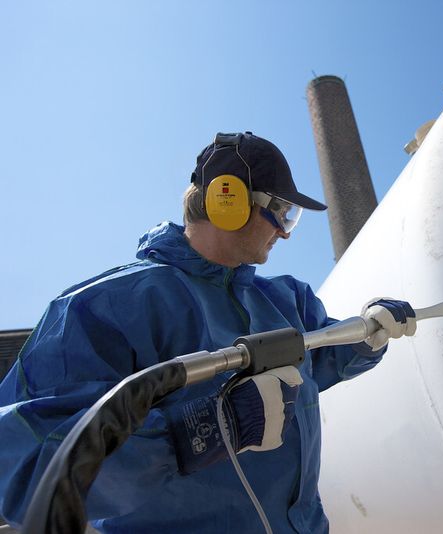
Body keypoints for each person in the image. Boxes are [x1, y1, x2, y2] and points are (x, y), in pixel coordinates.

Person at [0, 132, 416, 533]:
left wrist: (367, 336)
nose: (286, 231)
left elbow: (321, 357)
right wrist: (198, 434)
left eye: (292, 218)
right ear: (227, 199)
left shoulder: (286, 300)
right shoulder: (108, 306)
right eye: (280, 212)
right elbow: (22, 465)